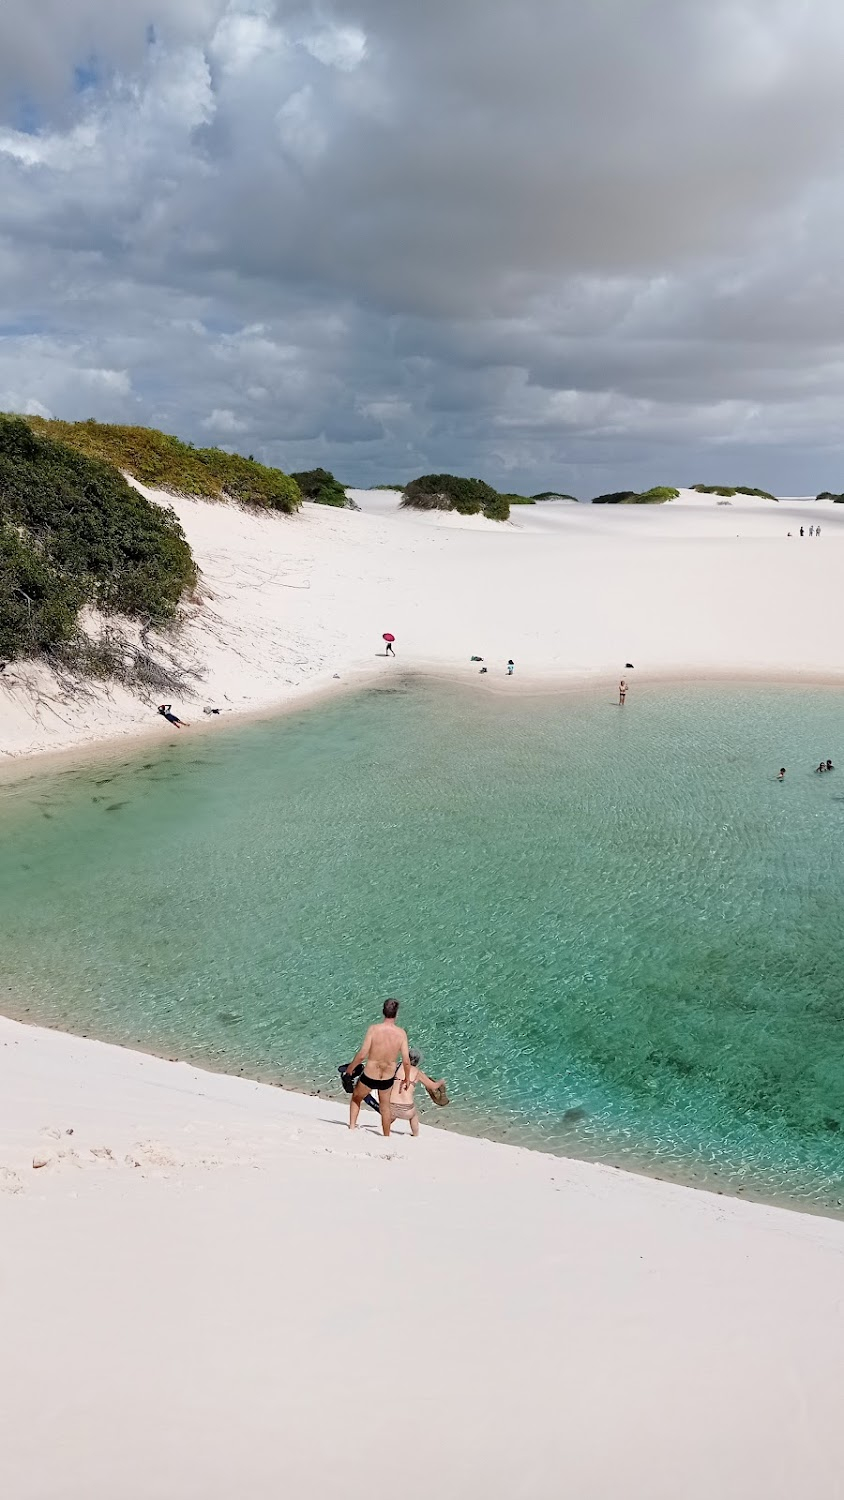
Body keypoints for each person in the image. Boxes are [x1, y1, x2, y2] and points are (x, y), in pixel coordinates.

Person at [344, 998, 411, 1137]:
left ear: (383, 1011)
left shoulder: (374, 1029)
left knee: (356, 1098)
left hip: (370, 1074)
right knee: (385, 1106)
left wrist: (351, 1068)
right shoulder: (401, 1034)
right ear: (396, 1014)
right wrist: (407, 1078)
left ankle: (351, 1127)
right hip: (387, 1076)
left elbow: (362, 1054)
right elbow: (406, 1061)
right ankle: (386, 1136)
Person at [389, 1049, 446, 1137]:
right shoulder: (417, 1072)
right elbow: (433, 1086)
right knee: (414, 1116)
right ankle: (415, 1135)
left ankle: (385, 1127)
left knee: (391, 1116)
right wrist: (441, 1082)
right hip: (407, 1109)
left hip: (391, 1107)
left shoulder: (397, 1066)